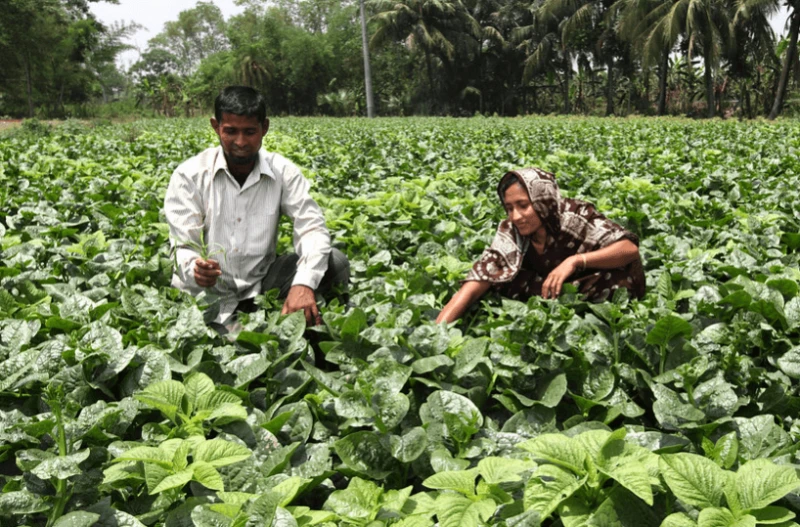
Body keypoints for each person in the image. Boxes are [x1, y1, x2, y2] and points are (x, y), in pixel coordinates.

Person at [164, 86, 349, 331]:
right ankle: (241, 330)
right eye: (231, 131)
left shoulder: (283, 172)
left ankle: (321, 336)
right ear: (216, 126)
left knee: (335, 262)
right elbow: (181, 247)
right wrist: (194, 268)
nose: (240, 142)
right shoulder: (189, 176)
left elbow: (312, 229)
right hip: (207, 296)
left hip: (261, 285)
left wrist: (303, 284)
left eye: (250, 132)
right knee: (232, 350)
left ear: (265, 128)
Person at [436, 167, 645, 324]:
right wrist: (439, 329)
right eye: (509, 208)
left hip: (586, 279)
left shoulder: (575, 216)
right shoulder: (512, 231)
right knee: (501, 281)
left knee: (615, 280)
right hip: (548, 285)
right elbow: (479, 278)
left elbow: (629, 249)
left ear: (542, 201)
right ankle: (554, 306)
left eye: (523, 206)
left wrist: (575, 261)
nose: (516, 216)